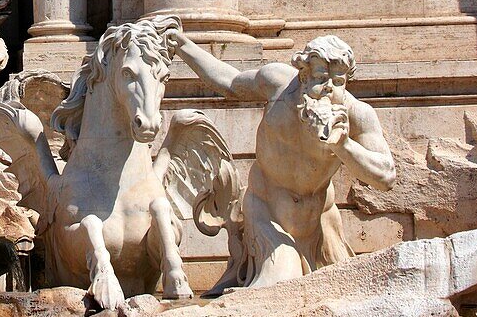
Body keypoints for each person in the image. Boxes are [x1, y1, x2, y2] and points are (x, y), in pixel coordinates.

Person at [168, 30, 395, 289]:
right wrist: (183, 45)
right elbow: (229, 82)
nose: (330, 88)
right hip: (268, 215)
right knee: (281, 283)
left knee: (342, 293)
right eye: (322, 78)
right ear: (304, 75)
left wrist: (343, 145)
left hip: (320, 223)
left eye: (339, 81)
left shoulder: (357, 115)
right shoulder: (277, 84)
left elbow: (386, 176)